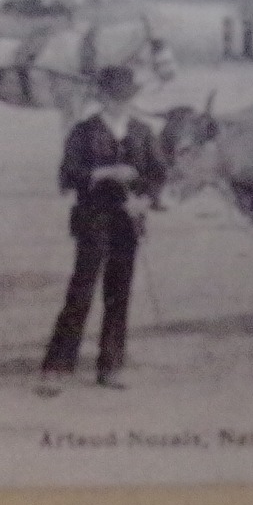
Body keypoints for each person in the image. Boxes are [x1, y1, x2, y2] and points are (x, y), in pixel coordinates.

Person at [36, 65, 165, 395]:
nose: (119, 103)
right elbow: (67, 176)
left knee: (119, 294)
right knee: (81, 291)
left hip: (128, 222)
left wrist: (145, 200)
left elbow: (158, 175)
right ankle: (57, 367)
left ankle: (110, 365)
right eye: (113, 97)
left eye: (125, 98)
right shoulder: (82, 131)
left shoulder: (142, 132)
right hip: (93, 219)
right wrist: (106, 173)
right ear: (102, 97)